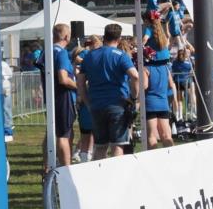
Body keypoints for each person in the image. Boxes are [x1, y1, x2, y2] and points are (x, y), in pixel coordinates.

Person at [78, 23, 139, 159]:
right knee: (117, 146)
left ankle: (99, 172)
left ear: (104, 36)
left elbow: (80, 82)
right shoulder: (121, 55)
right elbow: (135, 76)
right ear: (119, 38)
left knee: (100, 146)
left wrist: (87, 102)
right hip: (117, 105)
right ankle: (116, 172)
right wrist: (134, 98)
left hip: (96, 105)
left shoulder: (89, 56)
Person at [36, 23, 79, 168]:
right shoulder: (61, 52)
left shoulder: (46, 51)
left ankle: (47, 167)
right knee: (63, 135)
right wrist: (80, 86)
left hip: (51, 96)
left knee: (51, 133)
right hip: (62, 97)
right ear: (66, 36)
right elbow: (63, 78)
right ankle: (66, 169)